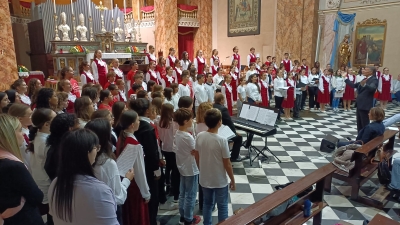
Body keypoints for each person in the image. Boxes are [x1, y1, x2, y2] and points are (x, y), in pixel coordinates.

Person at [48, 129, 119, 224]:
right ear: (87, 152)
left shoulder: (56, 183)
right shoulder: (100, 191)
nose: (97, 151)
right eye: (96, 148)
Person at [85, 119, 134, 224]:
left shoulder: (85, 158)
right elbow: (118, 197)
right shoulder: (106, 163)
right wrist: (127, 180)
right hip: (108, 208)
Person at [0, 114, 45, 225]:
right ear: (8, 135)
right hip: (23, 218)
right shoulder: (13, 166)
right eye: (20, 130)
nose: (23, 133)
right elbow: (37, 197)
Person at [196, 108, 235, 225]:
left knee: (207, 204)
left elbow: (196, 156)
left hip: (204, 177)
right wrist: (232, 179)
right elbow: (227, 163)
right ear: (219, 122)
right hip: (219, 180)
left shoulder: (200, 135)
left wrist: (201, 169)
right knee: (222, 206)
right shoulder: (222, 140)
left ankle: (207, 223)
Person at [129, 98, 161, 225]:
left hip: (135, 166)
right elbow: (151, 150)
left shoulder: (133, 125)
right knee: (152, 197)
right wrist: (156, 168)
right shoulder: (147, 128)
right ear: (147, 111)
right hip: (148, 167)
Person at [28, 108, 57, 224]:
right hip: (46, 184)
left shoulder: (40, 136)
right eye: (55, 119)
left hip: (40, 181)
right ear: (46, 124)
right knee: (49, 216)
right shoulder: (46, 143)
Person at [173, 108, 201, 225]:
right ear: (185, 121)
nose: (192, 121)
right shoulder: (187, 137)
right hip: (191, 168)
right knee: (191, 194)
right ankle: (189, 219)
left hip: (182, 166)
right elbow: (196, 151)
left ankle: (183, 216)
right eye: (190, 119)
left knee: (183, 193)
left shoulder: (178, 133)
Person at [343, 66, 378, 132]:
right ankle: (360, 137)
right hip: (359, 104)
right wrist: (345, 78)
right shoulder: (364, 79)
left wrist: (365, 85)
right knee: (359, 124)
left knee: (364, 124)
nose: (363, 71)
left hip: (365, 105)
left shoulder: (374, 80)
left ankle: (365, 138)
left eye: (365, 70)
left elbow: (372, 88)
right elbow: (353, 85)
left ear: (371, 72)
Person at [44, 114, 79, 181]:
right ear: (70, 129)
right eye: (77, 124)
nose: (79, 126)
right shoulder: (65, 151)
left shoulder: (55, 146)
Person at [213, 93, 243, 162]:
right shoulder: (223, 109)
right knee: (239, 138)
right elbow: (229, 122)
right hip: (222, 131)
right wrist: (234, 132)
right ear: (221, 100)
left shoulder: (212, 106)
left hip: (214, 129)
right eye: (224, 99)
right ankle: (234, 157)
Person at [8, 103, 33, 170]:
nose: (32, 117)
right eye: (30, 115)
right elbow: (27, 156)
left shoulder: (27, 129)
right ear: (20, 119)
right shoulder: (21, 135)